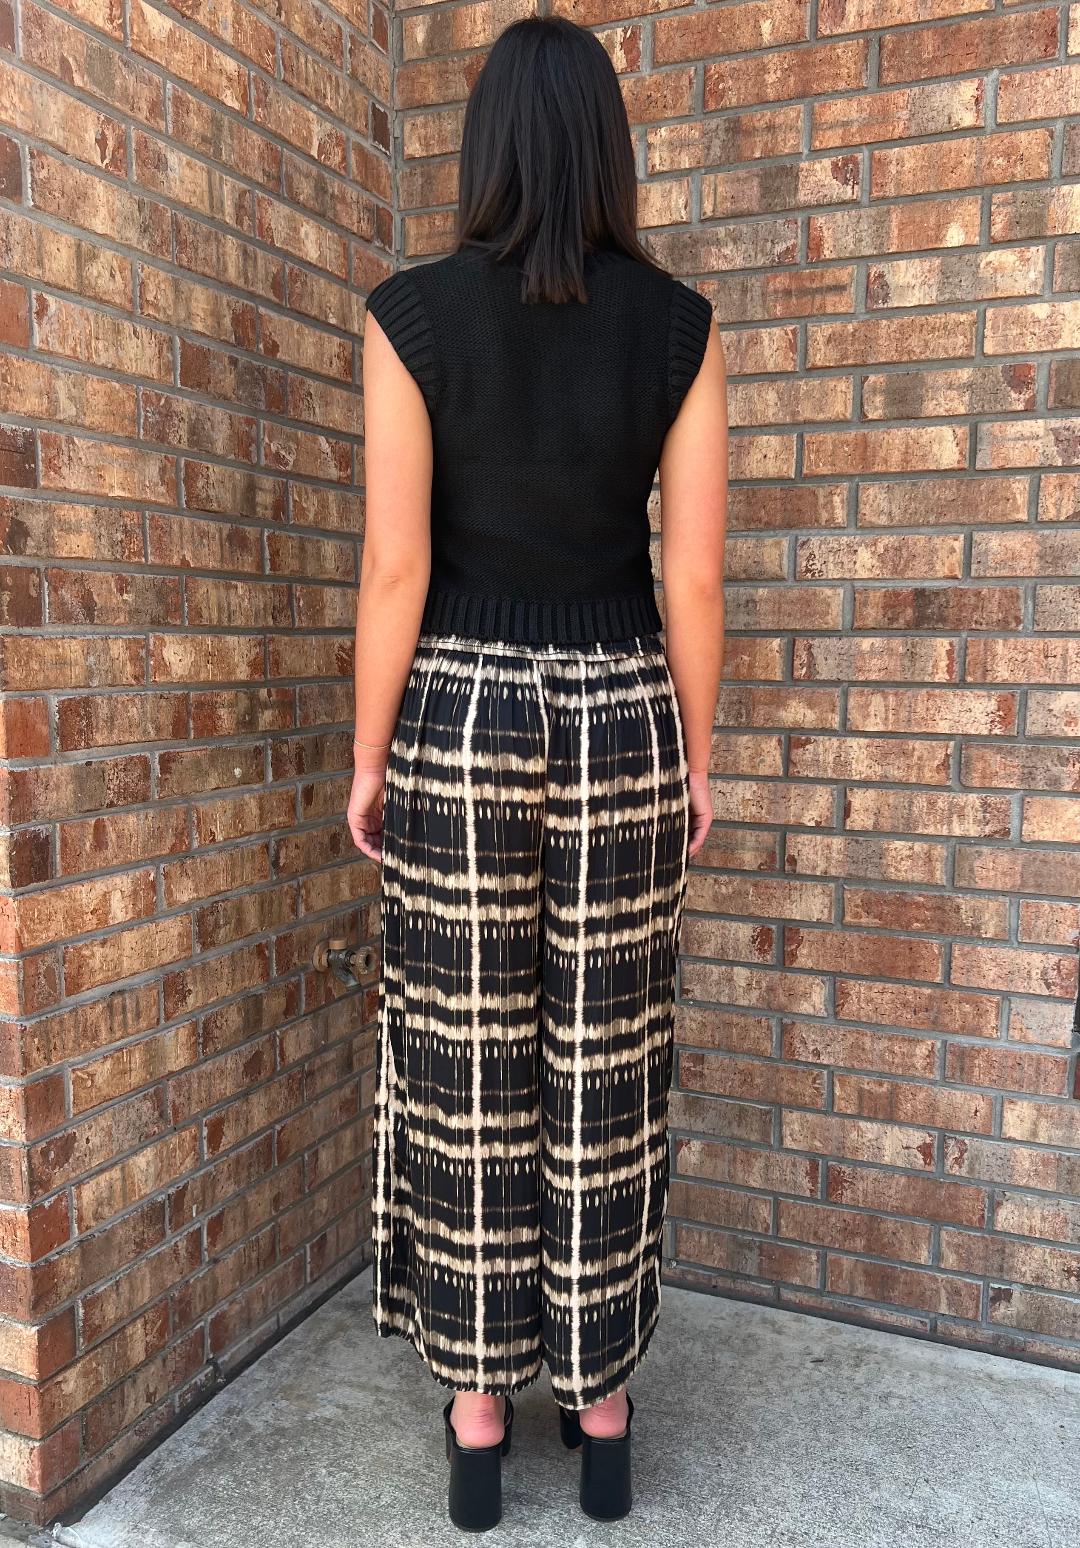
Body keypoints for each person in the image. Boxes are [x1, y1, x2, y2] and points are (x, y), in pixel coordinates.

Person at [348, 13, 727, 1532]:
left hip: (459, 718)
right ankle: (604, 1402)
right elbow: (692, 577)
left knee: (466, 1061)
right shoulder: (678, 327)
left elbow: (396, 567)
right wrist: (696, 754)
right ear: (610, 149)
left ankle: (478, 1414)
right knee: (603, 1056)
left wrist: (367, 755)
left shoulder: (413, 316)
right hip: (623, 716)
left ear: (486, 146)